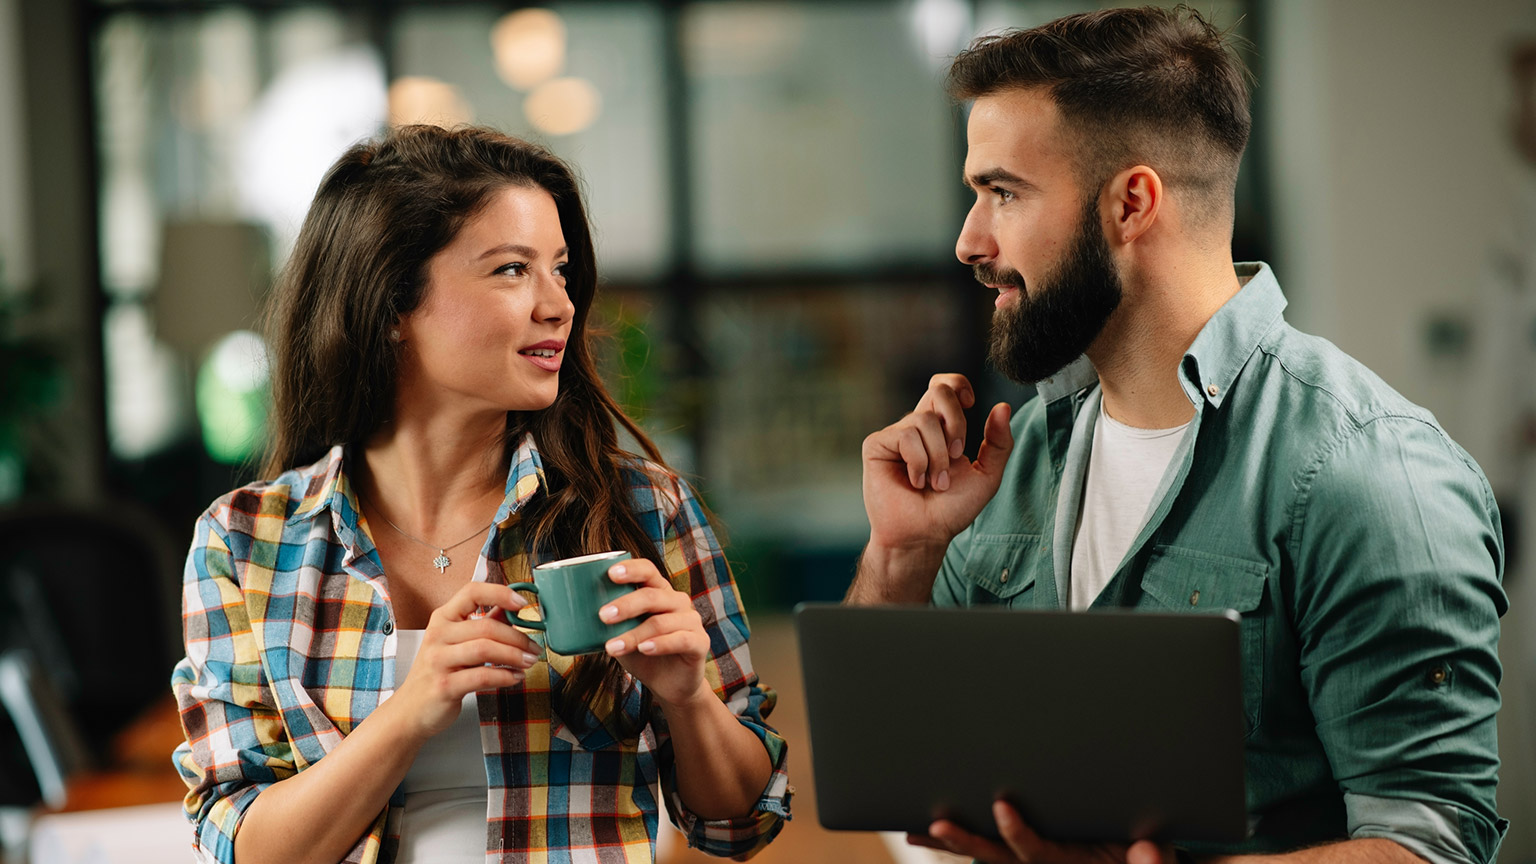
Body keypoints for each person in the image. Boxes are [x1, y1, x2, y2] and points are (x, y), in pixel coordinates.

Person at [845, 7, 1506, 864]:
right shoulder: (1011, 459)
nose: (969, 241)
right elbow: (890, 766)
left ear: (1131, 204)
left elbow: (1431, 842)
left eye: (1002, 192)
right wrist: (902, 554)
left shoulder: (1369, 472)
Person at [171, 125, 791, 864]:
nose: (558, 304)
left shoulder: (640, 510)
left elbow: (742, 821)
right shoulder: (246, 540)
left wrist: (688, 698)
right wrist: (411, 711)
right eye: (510, 270)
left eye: (560, 271)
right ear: (393, 304)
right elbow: (242, 847)